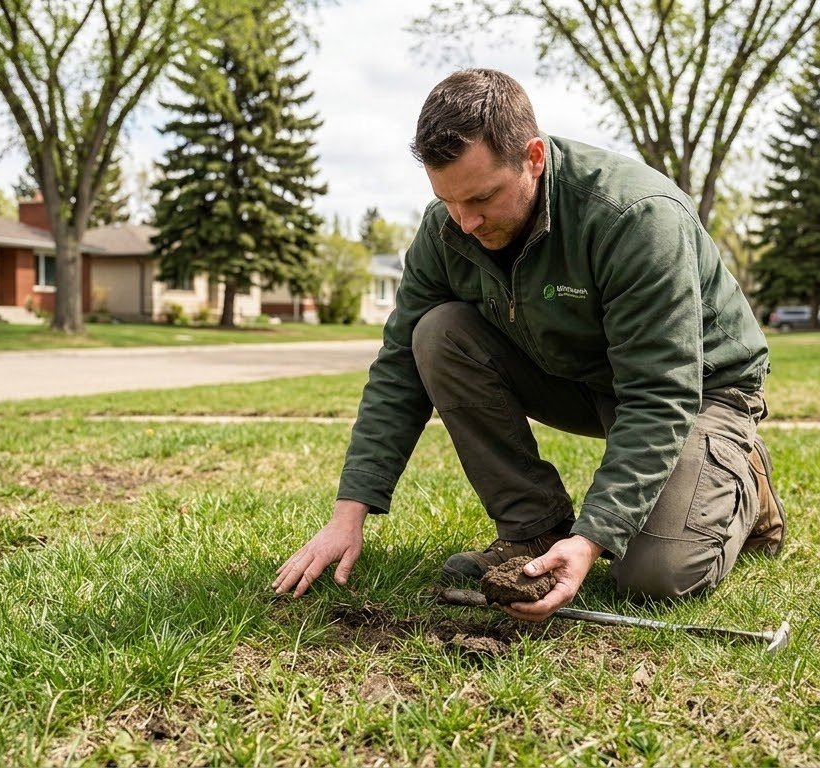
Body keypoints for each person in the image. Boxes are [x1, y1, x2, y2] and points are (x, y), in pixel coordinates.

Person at [273, 68, 785, 621]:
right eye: (448, 201)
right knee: (437, 333)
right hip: (579, 377)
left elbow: (661, 393)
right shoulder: (447, 229)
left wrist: (592, 539)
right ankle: (535, 529)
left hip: (703, 389)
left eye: (483, 197)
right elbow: (400, 367)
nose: (465, 222)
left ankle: (741, 474)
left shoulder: (633, 218)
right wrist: (349, 512)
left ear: (534, 157)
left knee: (654, 577)